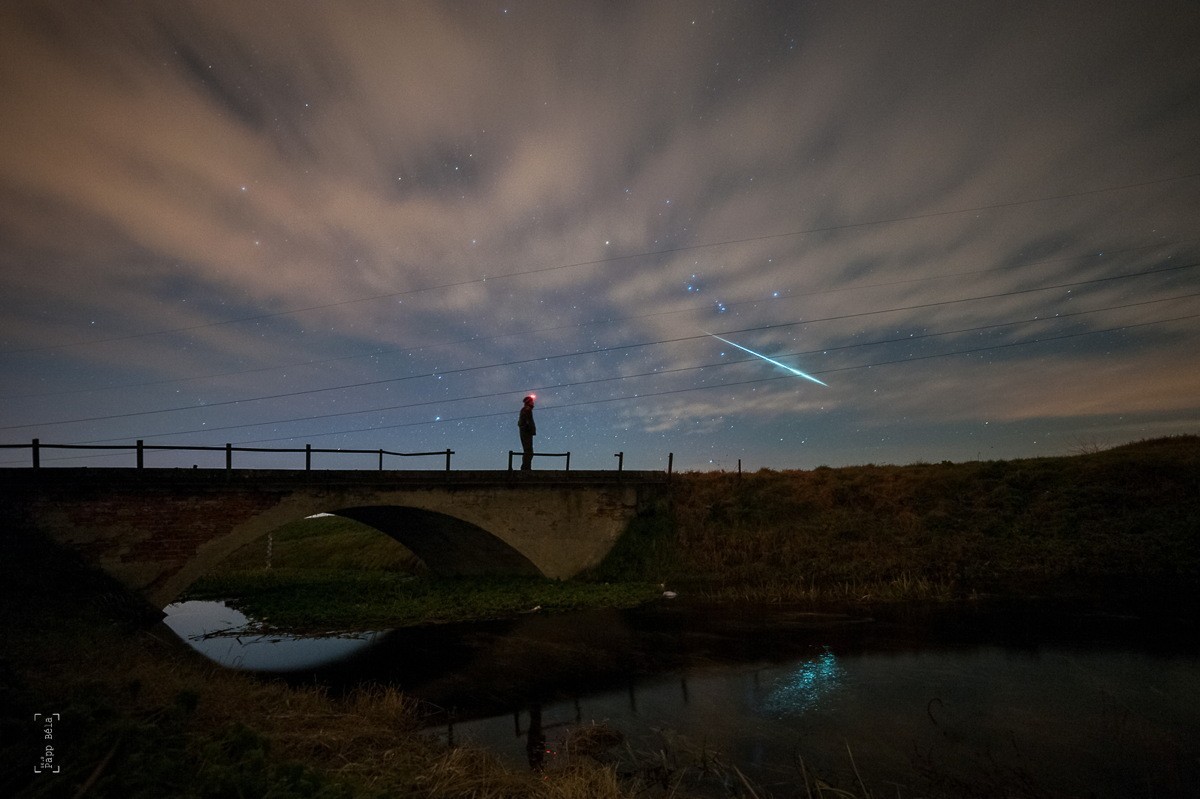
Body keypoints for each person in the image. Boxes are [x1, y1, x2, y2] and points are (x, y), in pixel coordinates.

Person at [517, 395, 536, 470]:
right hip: (526, 432)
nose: (533, 403)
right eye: (532, 401)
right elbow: (526, 422)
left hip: (526, 432)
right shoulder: (527, 409)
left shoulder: (525, 409)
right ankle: (526, 468)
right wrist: (529, 429)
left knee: (528, 451)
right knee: (529, 451)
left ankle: (526, 467)